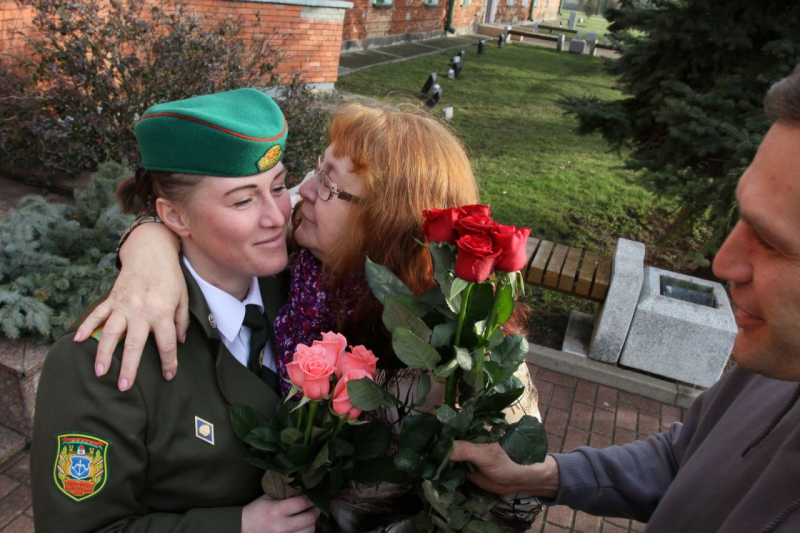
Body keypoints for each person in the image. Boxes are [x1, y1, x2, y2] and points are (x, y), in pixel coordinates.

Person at [73, 102, 542, 531]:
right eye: (317, 169)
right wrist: (147, 243)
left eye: (331, 185)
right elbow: (203, 211)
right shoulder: (298, 273)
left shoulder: (464, 364)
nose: (302, 192)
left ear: (385, 221)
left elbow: (511, 504)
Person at [450, 66, 800, 532]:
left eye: (774, 243)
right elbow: (682, 461)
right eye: (740, 217)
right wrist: (540, 475)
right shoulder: (776, 365)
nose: (724, 263)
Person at [30, 88, 320, 532]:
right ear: (176, 218)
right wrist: (235, 528)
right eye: (243, 200)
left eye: (279, 187)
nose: (278, 217)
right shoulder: (101, 360)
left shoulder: (303, 282)